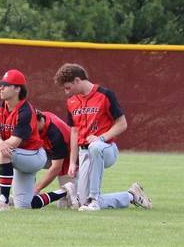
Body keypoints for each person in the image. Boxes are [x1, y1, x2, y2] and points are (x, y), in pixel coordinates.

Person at [54, 63, 152, 212]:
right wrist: (73, 162)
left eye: (68, 87)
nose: (66, 92)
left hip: (106, 148)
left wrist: (102, 138)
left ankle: (94, 199)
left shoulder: (105, 94)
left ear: (77, 81)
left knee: (95, 147)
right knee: (82, 203)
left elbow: (122, 124)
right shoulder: (71, 102)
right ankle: (131, 195)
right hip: (84, 152)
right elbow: (74, 132)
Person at [0, 69, 48, 211]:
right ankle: (65, 191)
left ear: (17, 89)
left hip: (34, 156)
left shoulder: (26, 111)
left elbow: (14, 142)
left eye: (6, 85)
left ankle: (3, 200)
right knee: (24, 205)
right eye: (1, 84)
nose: (1, 87)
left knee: (4, 152)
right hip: (19, 155)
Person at [29, 109, 78, 209]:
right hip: (50, 152)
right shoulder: (41, 119)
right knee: (25, 157)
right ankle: (21, 192)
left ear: (39, 120)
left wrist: (36, 189)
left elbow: (56, 167)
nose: (29, 129)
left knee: (69, 203)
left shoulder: (55, 133)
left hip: (70, 158)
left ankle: (65, 191)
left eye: (31, 126)